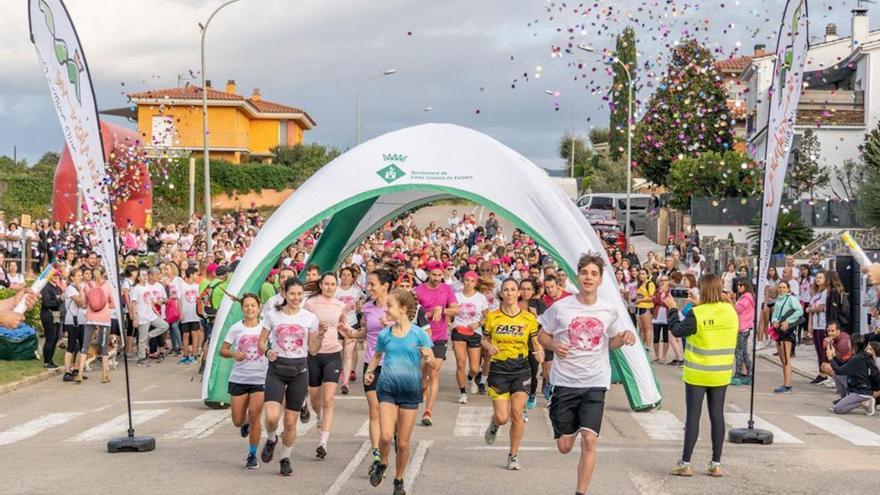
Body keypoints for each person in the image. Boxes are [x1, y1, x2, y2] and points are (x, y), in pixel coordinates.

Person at [537, 253, 637, 495]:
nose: (589, 277)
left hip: (595, 382)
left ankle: (580, 493)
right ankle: (563, 429)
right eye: (584, 273)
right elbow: (542, 335)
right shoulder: (561, 307)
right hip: (565, 382)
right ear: (577, 276)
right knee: (564, 446)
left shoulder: (608, 310)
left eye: (594, 274)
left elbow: (610, 342)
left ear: (601, 280)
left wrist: (623, 339)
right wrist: (553, 346)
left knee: (590, 441)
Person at [364, 289, 438, 495]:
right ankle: (383, 463)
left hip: (410, 391)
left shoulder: (419, 334)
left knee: (403, 444)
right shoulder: (384, 334)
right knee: (387, 436)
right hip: (387, 388)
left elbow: (433, 363)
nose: (386, 309)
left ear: (403, 309)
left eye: (390, 306)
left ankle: (399, 479)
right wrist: (369, 372)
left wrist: (427, 358)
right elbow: (377, 356)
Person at [665, 273, 738, 478]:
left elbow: (677, 330)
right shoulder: (730, 311)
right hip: (721, 372)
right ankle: (716, 463)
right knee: (717, 416)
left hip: (698, 372)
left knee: (693, 416)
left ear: (703, 291)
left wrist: (672, 308)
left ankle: (685, 462)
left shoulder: (697, 313)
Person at [258, 278, 321, 477]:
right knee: (272, 417)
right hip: (276, 369)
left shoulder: (309, 318)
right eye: (292, 293)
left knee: (291, 423)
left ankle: (285, 458)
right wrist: (267, 352)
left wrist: (319, 338)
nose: (296, 298)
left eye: (299, 294)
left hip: (299, 371)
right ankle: (271, 438)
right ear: (284, 293)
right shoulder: (272, 315)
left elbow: (312, 350)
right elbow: (261, 342)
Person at [482, 278, 543, 470]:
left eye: (513, 289)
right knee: (502, 417)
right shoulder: (493, 317)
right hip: (499, 370)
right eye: (506, 290)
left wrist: (540, 351)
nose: (509, 293)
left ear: (518, 293)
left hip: (521, 369)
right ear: (501, 294)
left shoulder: (529, 318)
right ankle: (494, 424)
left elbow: (535, 342)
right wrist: (488, 346)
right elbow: (483, 338)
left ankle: (513, 455)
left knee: (517, 413)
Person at [303, 272, 354, 459]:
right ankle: (318, 416)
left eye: (333, 284)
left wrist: (350, 334)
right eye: (327, 284)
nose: (330, 287)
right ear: (321, 285)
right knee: (316, 400)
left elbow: (345, 326)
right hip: (314, 354)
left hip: (333, 354)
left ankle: (323, 442)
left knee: (329, 400)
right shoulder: (310, 304)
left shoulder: (340, 305)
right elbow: (304, 326)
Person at [219, 293, 268, 469]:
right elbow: (222, 350)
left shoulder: (265, 327)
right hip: (239, 378)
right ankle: (244, 423)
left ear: (258, 307)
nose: (249, 309)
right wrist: (233, 353)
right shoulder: (236, 328)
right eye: (246, 306)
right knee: (238, 420)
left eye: (253, 305)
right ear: (242, 309)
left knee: (256, 416)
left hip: (260, 378)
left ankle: (252, 455)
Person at [413, 262, 458, 426]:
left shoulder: (447, 289)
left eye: (440, 275)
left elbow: (455, 309)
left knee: (435, 370)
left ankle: (428, 411)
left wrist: (443, 310)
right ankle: (423, 382)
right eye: (434, 275)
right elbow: (413, 311)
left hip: (440, 336)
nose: (437, 278)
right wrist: (431, 313)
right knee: (425, 369)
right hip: (422, 336)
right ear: (428, 274)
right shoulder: (419, 290)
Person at [361, 269, 394, 476]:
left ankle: (390, 440)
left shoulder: (397, 307)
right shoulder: (366, 308)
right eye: (368, 284)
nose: (369, 288)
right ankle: (375, 454)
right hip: (371, 365)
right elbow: (365, 332)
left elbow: (410, 330)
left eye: (372, 284)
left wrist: (391, 322)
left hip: (393, 366)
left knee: (389, 413)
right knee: (374, 409)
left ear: (385, 286)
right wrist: (349, 333)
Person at [451, 271, 489, 404]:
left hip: (474, 333)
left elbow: (487, 317)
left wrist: (478, 323)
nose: (469, 283)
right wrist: (451, 325)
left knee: (474, 368)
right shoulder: (456, 296)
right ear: (463, 281)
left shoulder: (481, 298)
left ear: (476, 283)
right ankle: (462, 393)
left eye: (472, 281)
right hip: (459, 331)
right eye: (467, 280)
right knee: (460, 363)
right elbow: (449, 313)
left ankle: (470, 377)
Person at [78, 266, 114, 384]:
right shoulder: (107, 286)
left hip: (90, 318)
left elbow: (84, 304)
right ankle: (104, 375)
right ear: (103, 274)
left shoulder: (89, 286)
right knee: (104, 348)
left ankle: (79, 373)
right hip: (104, 319)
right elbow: (112, 303)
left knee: (85, 345)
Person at [828, 334, 878, 416]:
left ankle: (864, 402)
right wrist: (834, 357)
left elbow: (839, 370)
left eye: (849, 342)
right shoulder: (859, 355)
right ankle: (845, 399)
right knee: (838, 376)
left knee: (838, 409)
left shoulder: (857, 358)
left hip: (862, 390)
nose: (848, 343)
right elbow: (841, 369)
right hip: (856, 387)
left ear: (853, 344)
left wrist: (830, 358)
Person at [130, 268, 170, 367]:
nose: (145, 277)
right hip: (142, 317)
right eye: (142, 275)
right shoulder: (136, 288)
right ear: (138, 277)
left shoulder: (148, 287)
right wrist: (135, 318)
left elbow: (151, 302)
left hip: (151, 315)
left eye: (145, 275)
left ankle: (150, 335)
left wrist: (156, 312)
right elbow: (133, 304)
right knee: (142, 340)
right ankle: (141, 358)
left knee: (164, 326)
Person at [769, 280, 803, 394]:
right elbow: (774, 315)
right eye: (780, 287)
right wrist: (774, 321)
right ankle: (785, 383)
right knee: (782, 359)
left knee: (787, 359)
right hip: (778, 331)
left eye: (784, 287)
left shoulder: (791, 299)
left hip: (787, 332)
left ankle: (788, 386)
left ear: (788, 289)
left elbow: (799, 311)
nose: (781, 289)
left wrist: (788, 321)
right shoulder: (778, 300)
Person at [519, 278, 547, 408]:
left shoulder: (539, 304)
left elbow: (545, 325)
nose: (525, 292)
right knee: (519, 371)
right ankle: (519, 394)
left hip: (534, 344)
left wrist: (535, 316)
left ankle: (532, 394)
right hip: (517, 344)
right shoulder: (515, 303)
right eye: (523, 289)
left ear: (534, 291)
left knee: (532, 372)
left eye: (528, 289)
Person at [336, 266, 364, 395]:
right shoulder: (335, 290)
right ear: (340, 276)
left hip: (352, 325)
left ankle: (345, 382)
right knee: (339, 352)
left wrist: (359, 307)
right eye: (344, 274)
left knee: (348, 354)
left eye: (348, 275)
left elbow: (361, 301)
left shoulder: (356, 291)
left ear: (353, 278)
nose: (346, 277)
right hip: (337, 325)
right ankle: (338, 374)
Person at [62, 268, 86, 382]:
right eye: (78, 275)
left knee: (82, 346)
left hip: (81, 320)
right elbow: (80, 302)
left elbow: (85, 304)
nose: (81, 277)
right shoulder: (70, 289)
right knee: (71, 346)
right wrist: (81, 290)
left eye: (81, 275)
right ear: (72, 277)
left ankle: (77, 369)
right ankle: (67, 371)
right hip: (72, 321)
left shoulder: (80, 288)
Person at [807, 271, 830, 385]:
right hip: (816, 325)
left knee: (823, 350)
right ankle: (821, 372)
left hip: (823, 325)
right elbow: (811, 309)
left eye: (821, 277)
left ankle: (826, 373)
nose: (818, 279)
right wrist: (810, 325)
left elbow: (820, 308)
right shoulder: (816, 294)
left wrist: (810, 309)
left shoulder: (826, 293)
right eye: (817, 277)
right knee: (818, 350)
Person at [730, 280, 755, 386]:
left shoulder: (746, 298)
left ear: (746, 286)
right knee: (743, 352)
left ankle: (738, 375)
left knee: (739, 352)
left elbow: (736, 309)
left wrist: (730, 300)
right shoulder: (746, 297)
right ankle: (748, 374)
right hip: (744, 327)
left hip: (742, 328)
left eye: (741, 285)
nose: (739, 287)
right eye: (738, 285)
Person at [820, 321, 853, 398]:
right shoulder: (834, 339)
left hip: (849, 370)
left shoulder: (843, 342)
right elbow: (825, 359)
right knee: (824, 366)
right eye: (828, 331)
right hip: (844, 366)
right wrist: (825, 348)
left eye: (832, 331)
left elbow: (839, 361)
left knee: (828, 367)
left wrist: (830, 347)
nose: (830, 333)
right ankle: (839, 382)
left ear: (838, 331)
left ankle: (845, 386)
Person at [40, 272, 64, 369]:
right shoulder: (46, 288)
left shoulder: (58, 288)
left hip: (56, 314)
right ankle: (46, 362)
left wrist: (60, 300)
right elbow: (47, 303)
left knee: (55, 338)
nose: (56, 278)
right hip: (48, 314)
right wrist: (59, 300)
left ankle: (50, 360)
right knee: (50, 338)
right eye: (54, 276)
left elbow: (60, 301)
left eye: (57, 276)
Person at [634, 268, 655, 352]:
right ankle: (641, 346)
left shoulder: (650, 283)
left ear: (647, 274)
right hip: (638, 307)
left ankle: (648, 346)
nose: (641, 275)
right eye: (640, 274)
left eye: (643, 273)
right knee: (641, 328)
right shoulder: (639, 284)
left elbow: (652, 297)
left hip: (646, 307)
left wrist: (641, 300)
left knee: (647, 328)